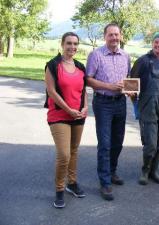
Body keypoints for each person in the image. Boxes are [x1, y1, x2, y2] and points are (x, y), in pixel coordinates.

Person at [86, 23, 130, 201]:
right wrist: (109, 86)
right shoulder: (96, 55)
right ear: (105, 36)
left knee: (118, 142)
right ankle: (104, 182)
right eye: (110, 35)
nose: (114, 38)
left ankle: (112, 172)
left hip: (120, 102)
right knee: (104, 143)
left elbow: (128, 79)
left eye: (116, 34)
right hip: (103, 103)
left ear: (121, 36)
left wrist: (128, 88)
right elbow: (88, 79)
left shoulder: (126, 56)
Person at [44, 32, 88, 208]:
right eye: (69, 43)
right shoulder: (53, 65)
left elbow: (83, 91)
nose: (72, 47)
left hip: (78, 116)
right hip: (59, 116)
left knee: (74, 151)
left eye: (75, 44)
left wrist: (85, 107)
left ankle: (72, 182)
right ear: (62, 44)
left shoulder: (80, 66)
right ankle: (59, 189)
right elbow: (52, 92)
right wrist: (69, 110)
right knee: (64, 154)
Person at [131, 32, 159, 185]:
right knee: (150, 143)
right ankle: (145, 170)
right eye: (156, 42)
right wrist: (136, 104)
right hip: (148, 107)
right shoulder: (143, 61)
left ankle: (154, 171)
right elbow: (131, 84)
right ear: (152, 43)